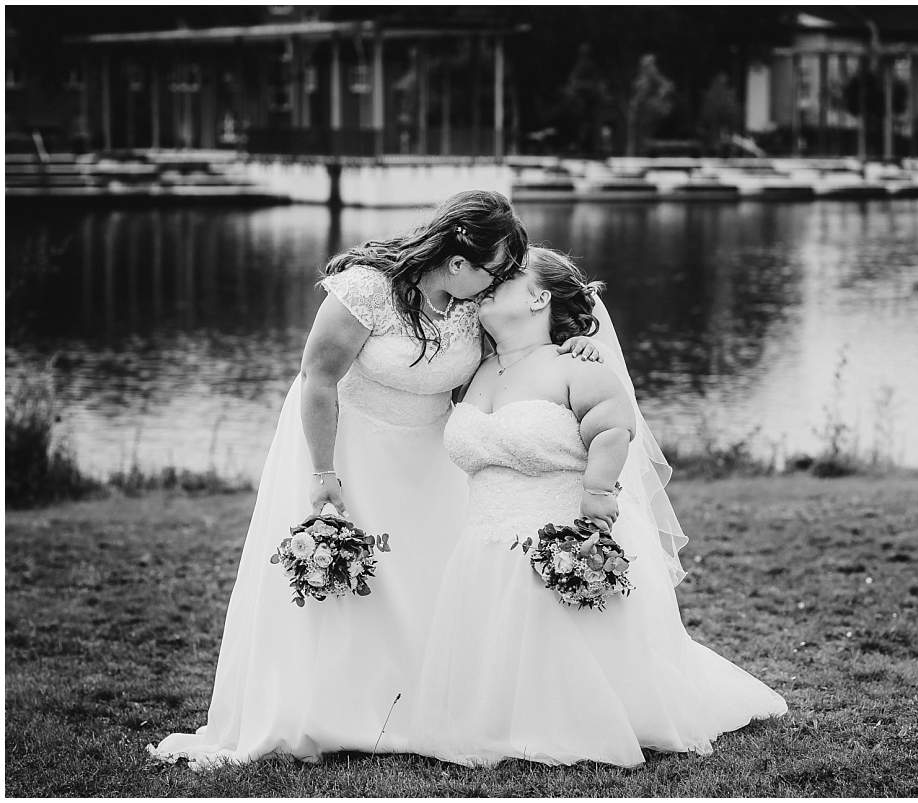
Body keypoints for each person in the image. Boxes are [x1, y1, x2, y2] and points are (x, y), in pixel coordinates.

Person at [149, 192, 599, 769]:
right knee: (346, 578)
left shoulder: (472, 304)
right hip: (350, 449)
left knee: (419, 581)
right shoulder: (368, 288)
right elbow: (317, 378)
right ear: (457, 258)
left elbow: (524, 345)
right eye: (494, 268)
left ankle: (414, 708)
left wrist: (574, 345)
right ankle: (326, 709)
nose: (500, 281)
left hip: (430, 460)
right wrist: (323, 472)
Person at [392, 247, 787, 767]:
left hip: (557, 532)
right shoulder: (472, 369)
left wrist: (598, 491)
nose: (490, 284)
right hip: (483, 540)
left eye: (508, 278)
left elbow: (612, 427)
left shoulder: (576, 365)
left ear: (539, 298)